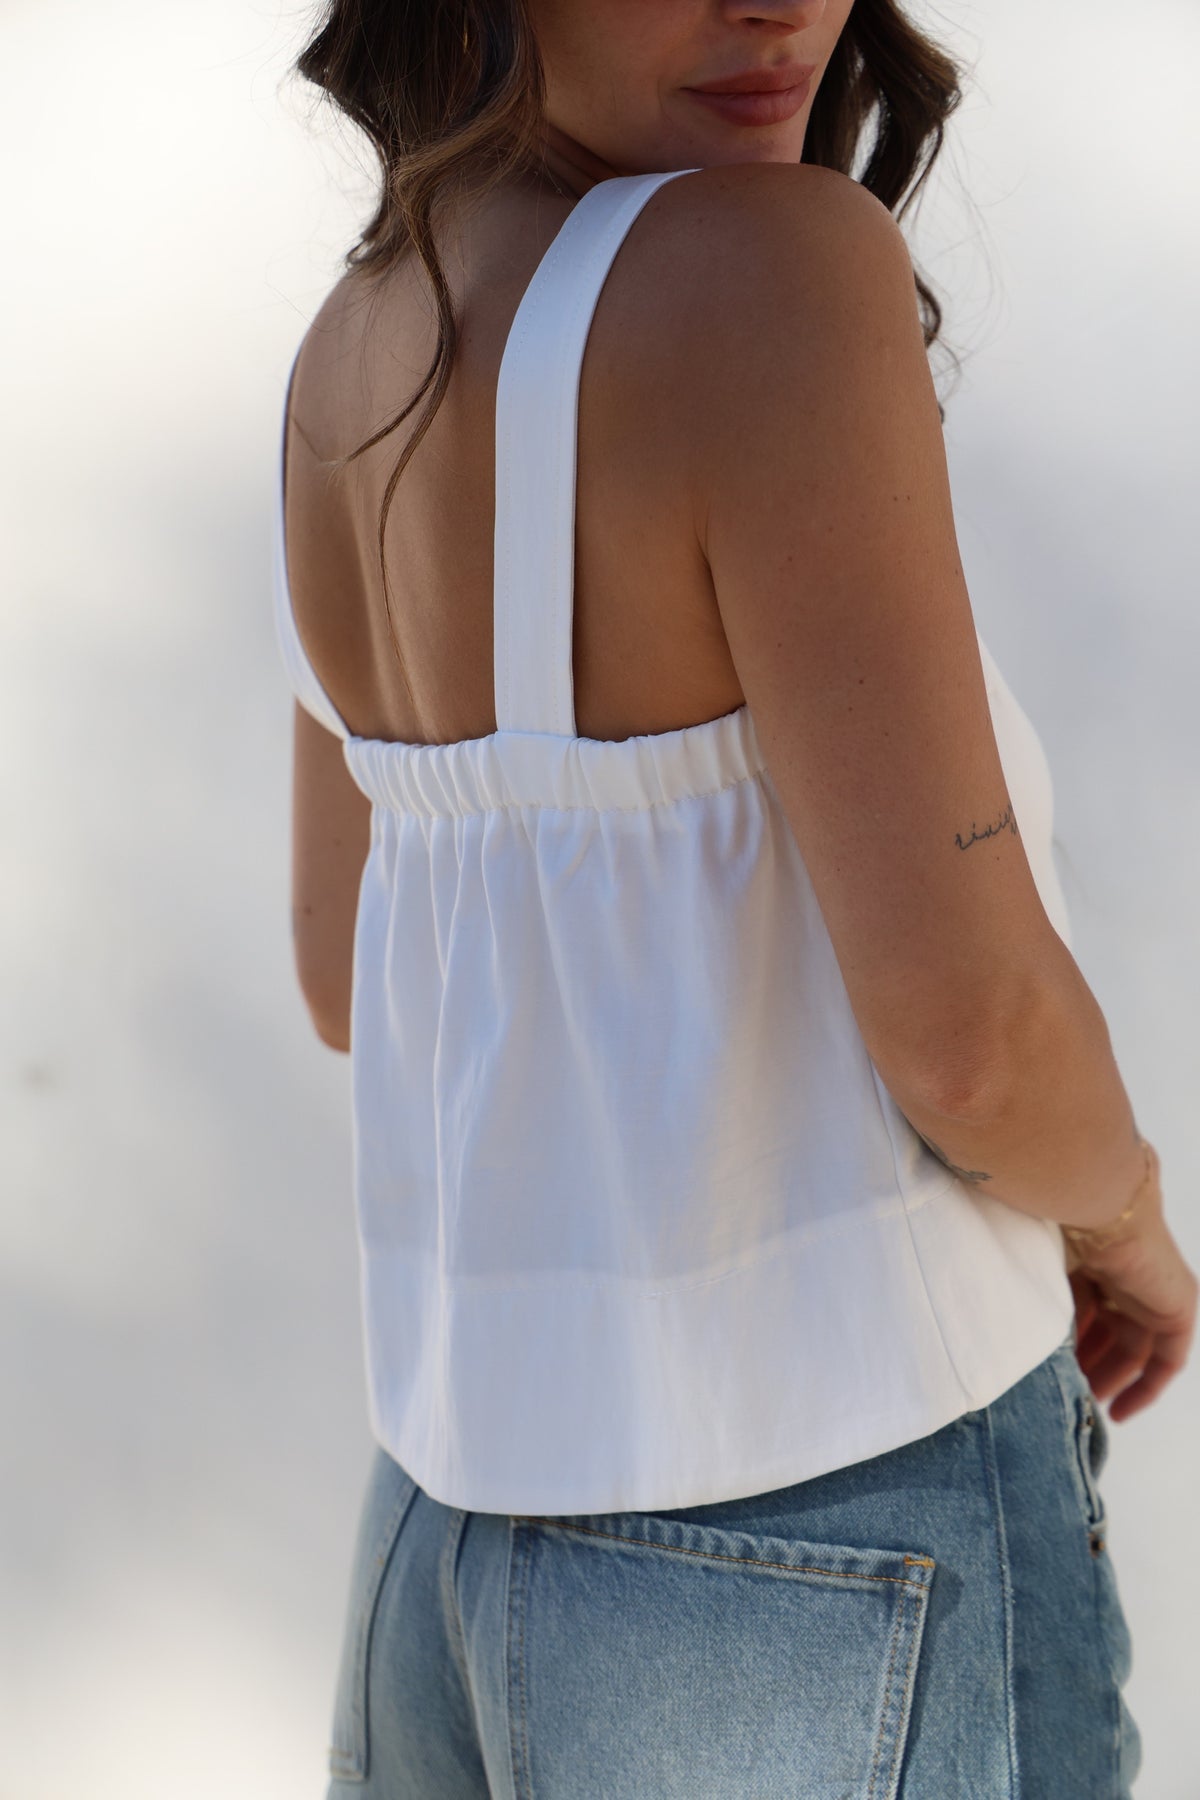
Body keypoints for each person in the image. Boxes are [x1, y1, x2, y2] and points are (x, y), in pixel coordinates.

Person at [272, 2, 1197, 1794]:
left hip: (439, 1555)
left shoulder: (345, 353)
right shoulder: (766, 270)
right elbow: (976, 1042)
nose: (778, 1)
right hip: (819, 1548)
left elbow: (341, 966)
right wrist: (1130, 1226)